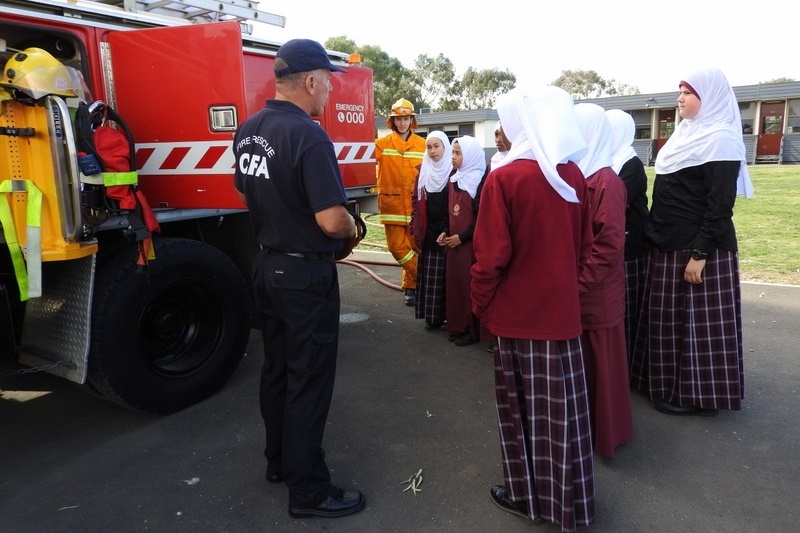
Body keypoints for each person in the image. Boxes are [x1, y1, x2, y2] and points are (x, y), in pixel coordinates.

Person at [232, 38, 365, 519]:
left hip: (267, 266)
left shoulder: (248, 130)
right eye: (328, 81)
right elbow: (332, 221)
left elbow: (243, 186)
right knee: (308, 379)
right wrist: (353, 225)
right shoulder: (309, 136)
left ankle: (280, 462)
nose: (330, 90)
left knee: (278, 370)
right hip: (304, 275)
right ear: (310, 81)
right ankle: (308, 490)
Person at [471, 86, 595, 532]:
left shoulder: (505, 178)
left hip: (518, 317)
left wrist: (479, 304)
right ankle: (570, 502)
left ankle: (525, 493)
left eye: (506, 120)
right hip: (561, 316)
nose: (502, 129)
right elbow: (582, 247)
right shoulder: (572, 175)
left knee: (520, 411)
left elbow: (490, 258)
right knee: (563, 413)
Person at [634, 67, 753, 416]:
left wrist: (700, 253)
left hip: (697, 248)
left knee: (695, 328)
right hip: (669, 243)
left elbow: (719, 207)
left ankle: (696, 397)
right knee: (669, 323)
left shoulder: (721, 138)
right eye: (679, 91)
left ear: (709, 97)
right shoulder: (685, 134)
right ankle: (666, 385)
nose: (680, 98)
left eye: (688, 92)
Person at [574, 102, 634, 458]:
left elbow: (609, 244)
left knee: (602, 367)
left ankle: (606, 436)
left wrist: (579, 282)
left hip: (597, 293)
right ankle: (591, 431)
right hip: (584, 289)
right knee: (587, 369)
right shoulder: (583, 174)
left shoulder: (606, 181)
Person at [604, 108, 650, 384]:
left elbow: (613, 202)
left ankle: (627, 368)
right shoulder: (606, 160)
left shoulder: (630, 164)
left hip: (630, 244)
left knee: (627, 306)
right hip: (615, 241)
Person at [375, 98, 426, 306]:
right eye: (399, 119)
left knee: (415, 247)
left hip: (416, 207)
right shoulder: (381, 144)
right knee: (397, 248)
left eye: (406, 119)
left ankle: (411, 287)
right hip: (392, 207)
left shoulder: (423, 145)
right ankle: (422, 277)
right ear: (392, 122)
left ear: (411, 120)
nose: (402, 123)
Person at [439, 135, 486, 347]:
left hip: (470, 245)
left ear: (471, 155)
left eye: (458, 153)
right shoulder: (454, 178)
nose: (453, 157)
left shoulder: (479, 181)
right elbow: (450, 212)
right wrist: (445, 232)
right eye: (453, 153)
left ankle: (471, 329)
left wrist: (462, 237)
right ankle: (457, 325)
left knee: (469, 287)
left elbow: (481, 219)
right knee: (455, 285)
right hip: (453, 244)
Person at [411, 130, 452, 329]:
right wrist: (415, 227)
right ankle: (432, 317)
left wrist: (448, 228)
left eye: (437, 146)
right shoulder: (423, 171)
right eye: (429, 147)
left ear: (445, 147)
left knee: (446, 276)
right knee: (430, 276)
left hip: (447, 230)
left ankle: (447, 316)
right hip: (427, 231)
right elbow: (415, 201)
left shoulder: (453, 172)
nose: (433, 151)